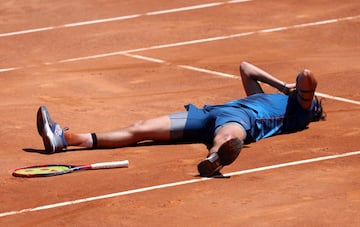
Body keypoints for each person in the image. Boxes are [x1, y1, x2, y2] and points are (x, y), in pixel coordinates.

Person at [36, 61, 325, 177]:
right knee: (140, 129)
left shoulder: (299, 110)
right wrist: (278, 86)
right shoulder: (275, 97)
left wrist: (292, 89)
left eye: (311, 97)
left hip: (242, 119)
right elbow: (245, 68)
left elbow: (307, 74)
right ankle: (64, 139)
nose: (310, 97)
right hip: (207, 113)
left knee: (226, 138)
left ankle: (215, 160)